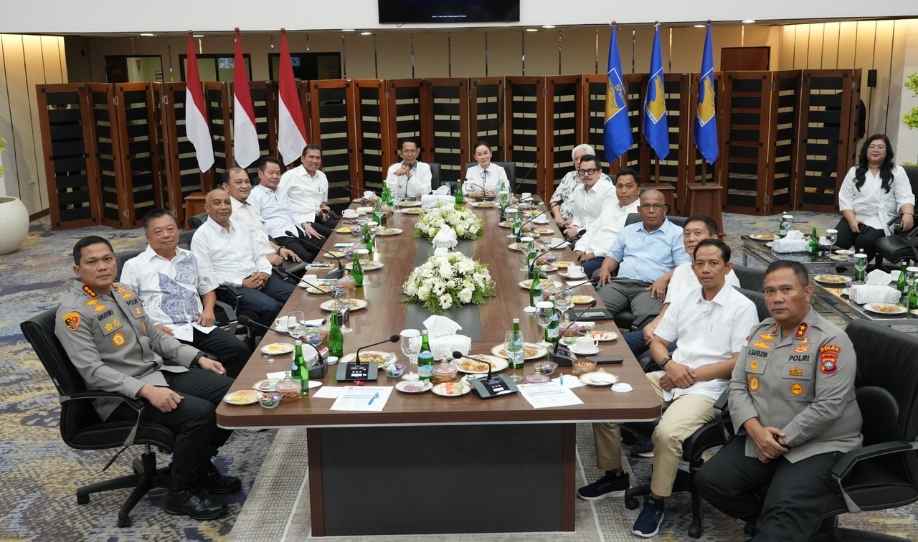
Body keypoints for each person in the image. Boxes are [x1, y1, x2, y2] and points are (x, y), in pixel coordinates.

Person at [579, 239, 758, 538]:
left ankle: (657, 499)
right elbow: (658, 340)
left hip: (708, 388)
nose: (705, 269)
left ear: (727, 268)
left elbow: (738, 362)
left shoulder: (743, 308)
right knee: (605, 400)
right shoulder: (686, 298)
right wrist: (669, 365)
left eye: (713, 263)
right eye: (699, 263)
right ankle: (614, 475)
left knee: (667, 434)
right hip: (670, 374)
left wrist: (687, 374)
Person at [55, 236, 239, 520]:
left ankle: (195, 466)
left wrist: (196, 358)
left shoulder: (123, 291)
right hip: (123, 396)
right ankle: (180, 492)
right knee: (200, 414)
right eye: (92, 262)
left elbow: (154, 336)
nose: (102, 267)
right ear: (77, 269)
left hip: (157, 373)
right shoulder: (73, 314)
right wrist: (146, 391)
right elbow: (92, 371)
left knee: (231, 395)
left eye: (107, 259)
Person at [696, 261, 863, 541]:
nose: (776, 298)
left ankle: (782, 527)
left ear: (807, 292)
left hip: (818, 444)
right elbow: (738, 386)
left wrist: (777, 441)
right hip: (763, 434)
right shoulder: (761, 332)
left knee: (783, 510)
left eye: (786, 290)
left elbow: (828, 406)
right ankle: (779, 526)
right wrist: (756, 431)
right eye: (770, 291)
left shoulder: (831, 340)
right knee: (711, 481)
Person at [120, 209, 252, 378]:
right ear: (148, 236)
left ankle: (235, 389)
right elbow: (127, 307)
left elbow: (208, 290)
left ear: (178, 230)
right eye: (158, 231)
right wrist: (150, 328)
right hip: (164, 332)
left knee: (239, 350)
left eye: (170, 229)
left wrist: (208, 310)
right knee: (198, 368)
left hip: (197, 325)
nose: (166, 235)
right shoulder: (134, 266)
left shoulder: (191, 257)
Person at [624, 215, 741, 359]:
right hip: (670, 330)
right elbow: (669, 306)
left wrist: (665, 337)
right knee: (619, 345)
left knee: (646, 359)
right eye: (687, 234)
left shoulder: (724, 275)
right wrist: (654, 325)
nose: (691, 239)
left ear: (714, 238)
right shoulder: (681, 270)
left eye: (697, 233)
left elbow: (715, 326)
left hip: (696, 340)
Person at [191, 188, 295, 327]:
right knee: (272, 307)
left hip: (259, 278)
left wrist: (264, 272)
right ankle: (272, 338)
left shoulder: (242, 227)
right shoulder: (201, 236)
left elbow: (259, 255)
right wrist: (242, 282)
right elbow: (206, 276)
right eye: (217, 203)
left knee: (294, 295)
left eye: (227, 202)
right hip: (233, 288)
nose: (223, 206)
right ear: (207, 208)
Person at [595, 189, 690, 328]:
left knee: (648, 324)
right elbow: (613, 256)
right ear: (639, 210)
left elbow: (684, 266)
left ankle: (631, 342)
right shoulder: (628, 230)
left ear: (665, 209)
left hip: (650, 287)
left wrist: (664, 279)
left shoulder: (677, 234)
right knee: (593, 314)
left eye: (656, 206)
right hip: (620, 284)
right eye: (646, 206)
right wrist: (605, 268)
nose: (651, 210)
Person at [836, 134, 915, 260]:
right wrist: (852, 220)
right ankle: (837, 270)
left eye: (880, 147)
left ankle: (859, 269)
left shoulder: (897, 171)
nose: (875, 150)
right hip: (855, 216)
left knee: (864, 242)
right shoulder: (854, 171)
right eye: (872, 146)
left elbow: (905, 196)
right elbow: (845, 198)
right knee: (838, 241)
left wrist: (908, 214)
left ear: (887, 151)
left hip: (880, 220)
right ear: (866, 150)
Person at [223, 166, 302, 267]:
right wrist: (265, 259)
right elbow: (232, 251)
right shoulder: (225, 213)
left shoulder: (250, 207)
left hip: (274, 260)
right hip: (255, 269)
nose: (244, 186)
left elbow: (261, 238)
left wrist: (279, 249)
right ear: (226, 187)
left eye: (247, 182)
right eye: (239, 182)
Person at [249, 157, 322, 262]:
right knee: (307, 257)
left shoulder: (282, 190)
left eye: (278, 173)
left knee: (325, 246)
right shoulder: (254, 195)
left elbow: (292, 212)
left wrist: (304, 224)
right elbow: (256, 224)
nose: (275, 176)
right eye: (271, 173)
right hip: (280, 236)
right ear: (260, 174)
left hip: (296, 229)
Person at [574, 167, 640, 278]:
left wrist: (594, 254)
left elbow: (622, 245)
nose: (623, 191)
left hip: (606, 259)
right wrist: (579, 248)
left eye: (629, 186)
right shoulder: (610, 204)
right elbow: (592, 229)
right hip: (587, 251)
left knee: (576, 271)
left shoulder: (639, 214)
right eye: (619, 186)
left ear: (638, 190)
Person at [278, 144, 338, 236]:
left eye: (317, 158)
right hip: (300, 221)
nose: (314, 161)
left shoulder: (322, 176)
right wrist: (300, 223)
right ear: (302, 159)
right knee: (333, 236)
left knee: (347, 227)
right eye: (311, 157)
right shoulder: (289, 176)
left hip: (319, 218)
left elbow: (322, 204)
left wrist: (324, 210)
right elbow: (278, 204)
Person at [549, 144, 612, 227]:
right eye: (576, 159)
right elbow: (554, 200)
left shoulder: (603, 180)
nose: (579, 161)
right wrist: (558, 217)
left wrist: (575, 224)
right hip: (560, 222)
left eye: (582, 158)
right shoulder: (569, 176)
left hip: (584, 227)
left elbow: (596, 215)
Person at [561, 155, 616, 240]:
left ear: (599, 172)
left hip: (601, 238)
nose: (586, 175)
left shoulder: (609, 191)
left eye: (590, 171)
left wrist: (578, 231)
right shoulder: (578, 190)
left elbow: (605, 222)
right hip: (580, 237)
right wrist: (574, 226)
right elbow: (577, 217)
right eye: (582, 171)